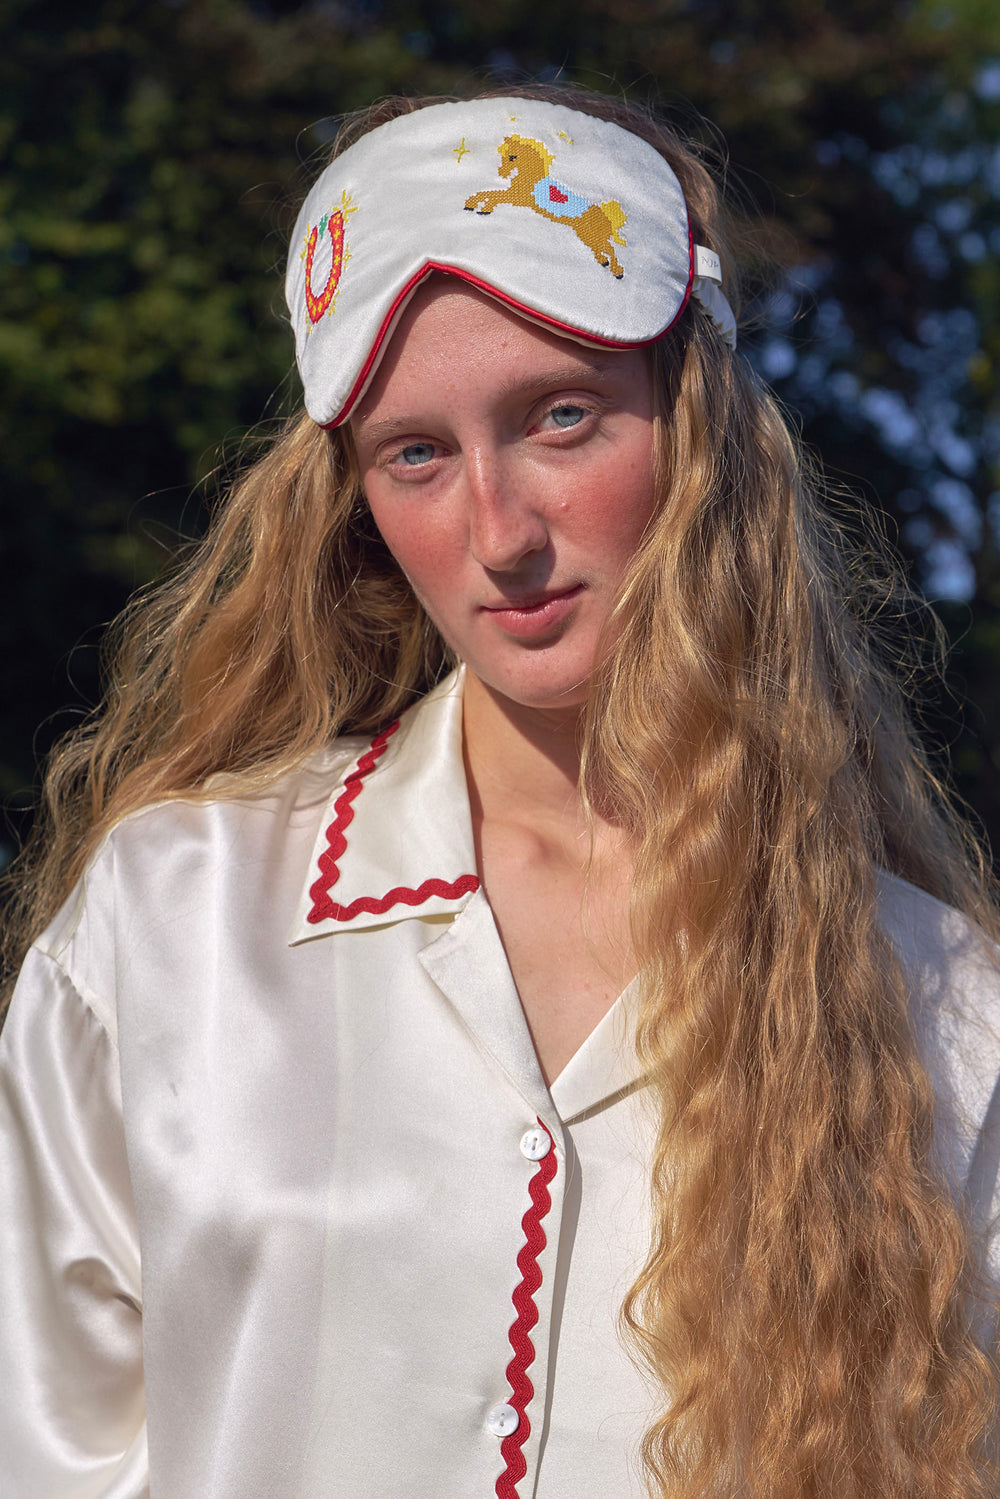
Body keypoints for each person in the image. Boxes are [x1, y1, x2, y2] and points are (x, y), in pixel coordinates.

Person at [1, 84, 998, 1499]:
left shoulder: (946, 1012)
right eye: (416, 453)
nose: (500, 532)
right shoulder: (175, 924)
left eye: (562, 419)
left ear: (701, 436)